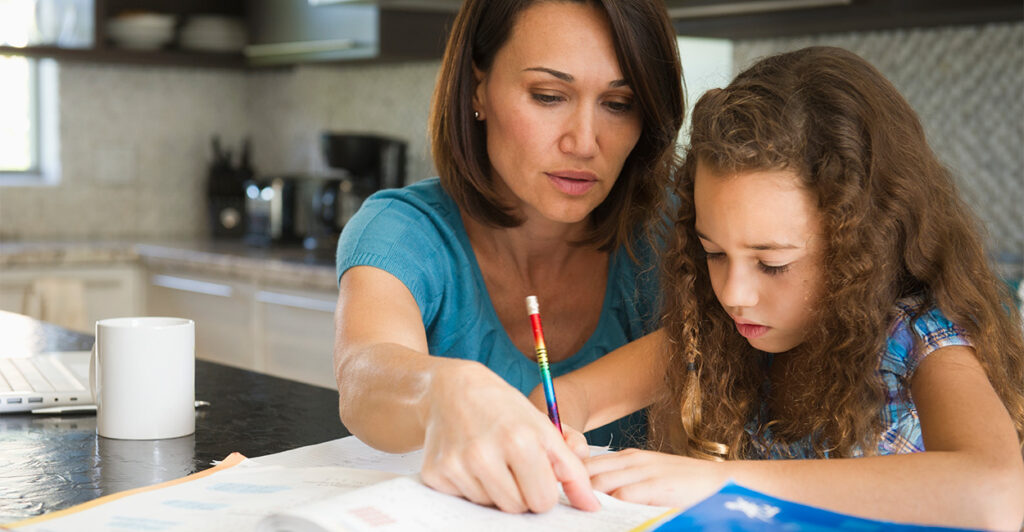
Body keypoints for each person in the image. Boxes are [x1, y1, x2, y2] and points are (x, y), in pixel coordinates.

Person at [533, 46, 1024, 529]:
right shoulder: (726, 334)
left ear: (863, 246)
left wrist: (722, 483)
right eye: (715, 253)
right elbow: (569, 395)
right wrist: (554, 430)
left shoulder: (918, 338)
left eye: (772, 263)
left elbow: (998, 492)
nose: (733, 294)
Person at [332, 0, 683, 514]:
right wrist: (444, 390)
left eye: (619, 104)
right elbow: (364, 377)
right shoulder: (403, 230)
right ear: (478, 87)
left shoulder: (678, 234)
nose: (584, 142)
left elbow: (735, 349)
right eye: (548, 96)